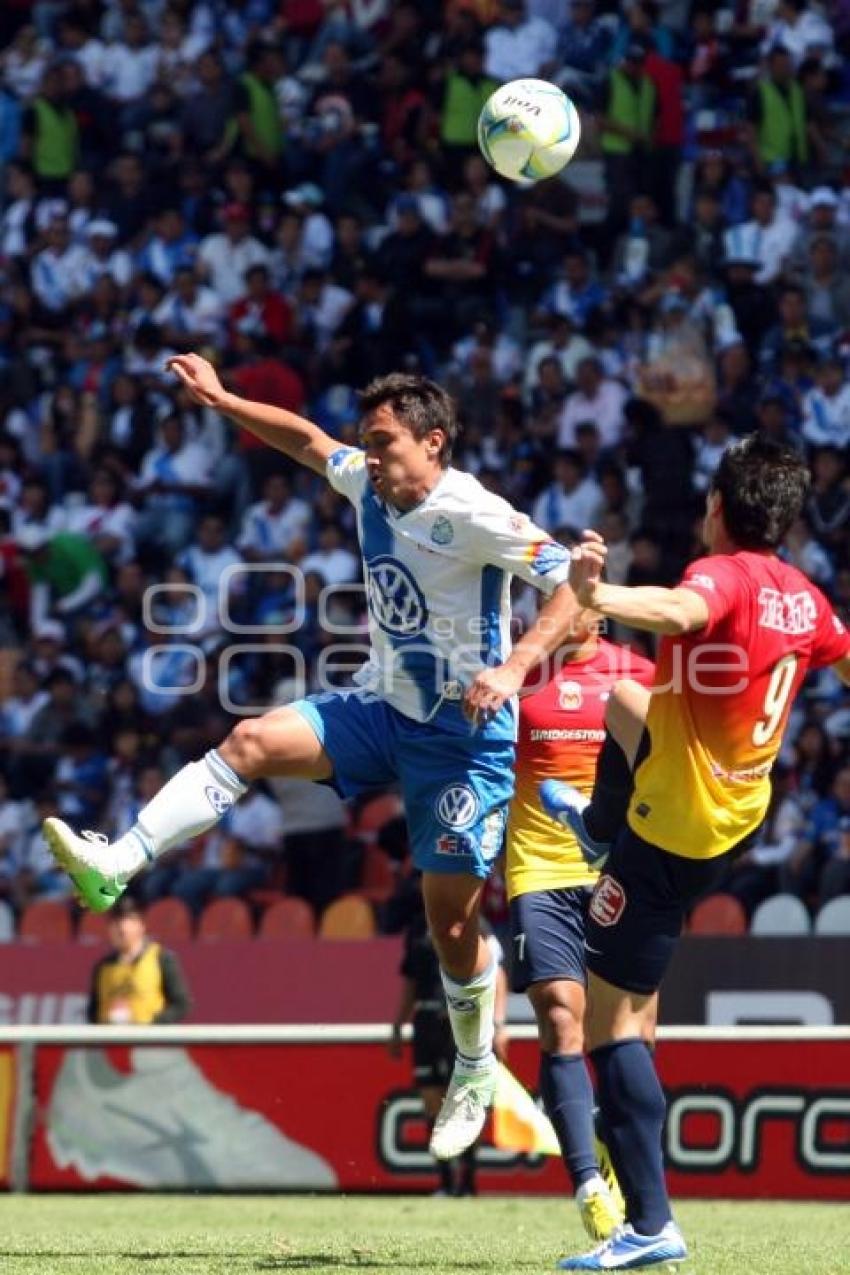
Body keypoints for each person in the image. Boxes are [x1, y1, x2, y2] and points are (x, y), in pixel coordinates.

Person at [43, 355, 578, 1164]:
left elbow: (573, 582)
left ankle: (475, 1063)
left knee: (452, 923)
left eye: (387, 443)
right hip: (380, 702)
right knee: (250, 740)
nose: (371, 456)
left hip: (462, 738)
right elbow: (303, 440)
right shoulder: (368, 480)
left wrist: (513, 668)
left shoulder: (472, 512)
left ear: (434, 444)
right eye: (367, 441)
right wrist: (223, 400)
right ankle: (115, 863)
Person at [541, 435, 850, 1270]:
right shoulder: (805, 598)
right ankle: (598, 827)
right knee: (627, 698)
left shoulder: (718, 576)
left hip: (673, 828)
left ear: (716, 506)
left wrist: (593, 590)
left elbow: (680, 612)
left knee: (613, 1019)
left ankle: (650, 1222)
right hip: (739, 810)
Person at [507, 585, 654, 1241]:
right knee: (561, 1016)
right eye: (549, 599)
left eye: (572, 598)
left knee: (631, 1039)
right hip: (539, 868)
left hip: (619, 875)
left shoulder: (637, 675)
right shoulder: (515, 674)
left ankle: (626, 1172)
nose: (560, 610)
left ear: (601, 607)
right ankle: (589, 1186)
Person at [387, 830, 508, 1197]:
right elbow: (409, 981)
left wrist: (498, 1023)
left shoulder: (471, 921)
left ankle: (468, 1183)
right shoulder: (416, 931)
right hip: (425, 1020)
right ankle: (443, 1182)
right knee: (430, 1101)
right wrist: (397, 1026)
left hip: (460, 1021)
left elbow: (496, 973)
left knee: (464, 1101)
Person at [87, 894, 191, 1025]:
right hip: (112, 1040)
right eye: (115, 925)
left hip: (148, 1041)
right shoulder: (103, 967)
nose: (121, 930)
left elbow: (181, 1004)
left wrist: (154, 1025)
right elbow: (93, 1010)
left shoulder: (161, 958)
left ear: (141, 926)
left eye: (127, 924)